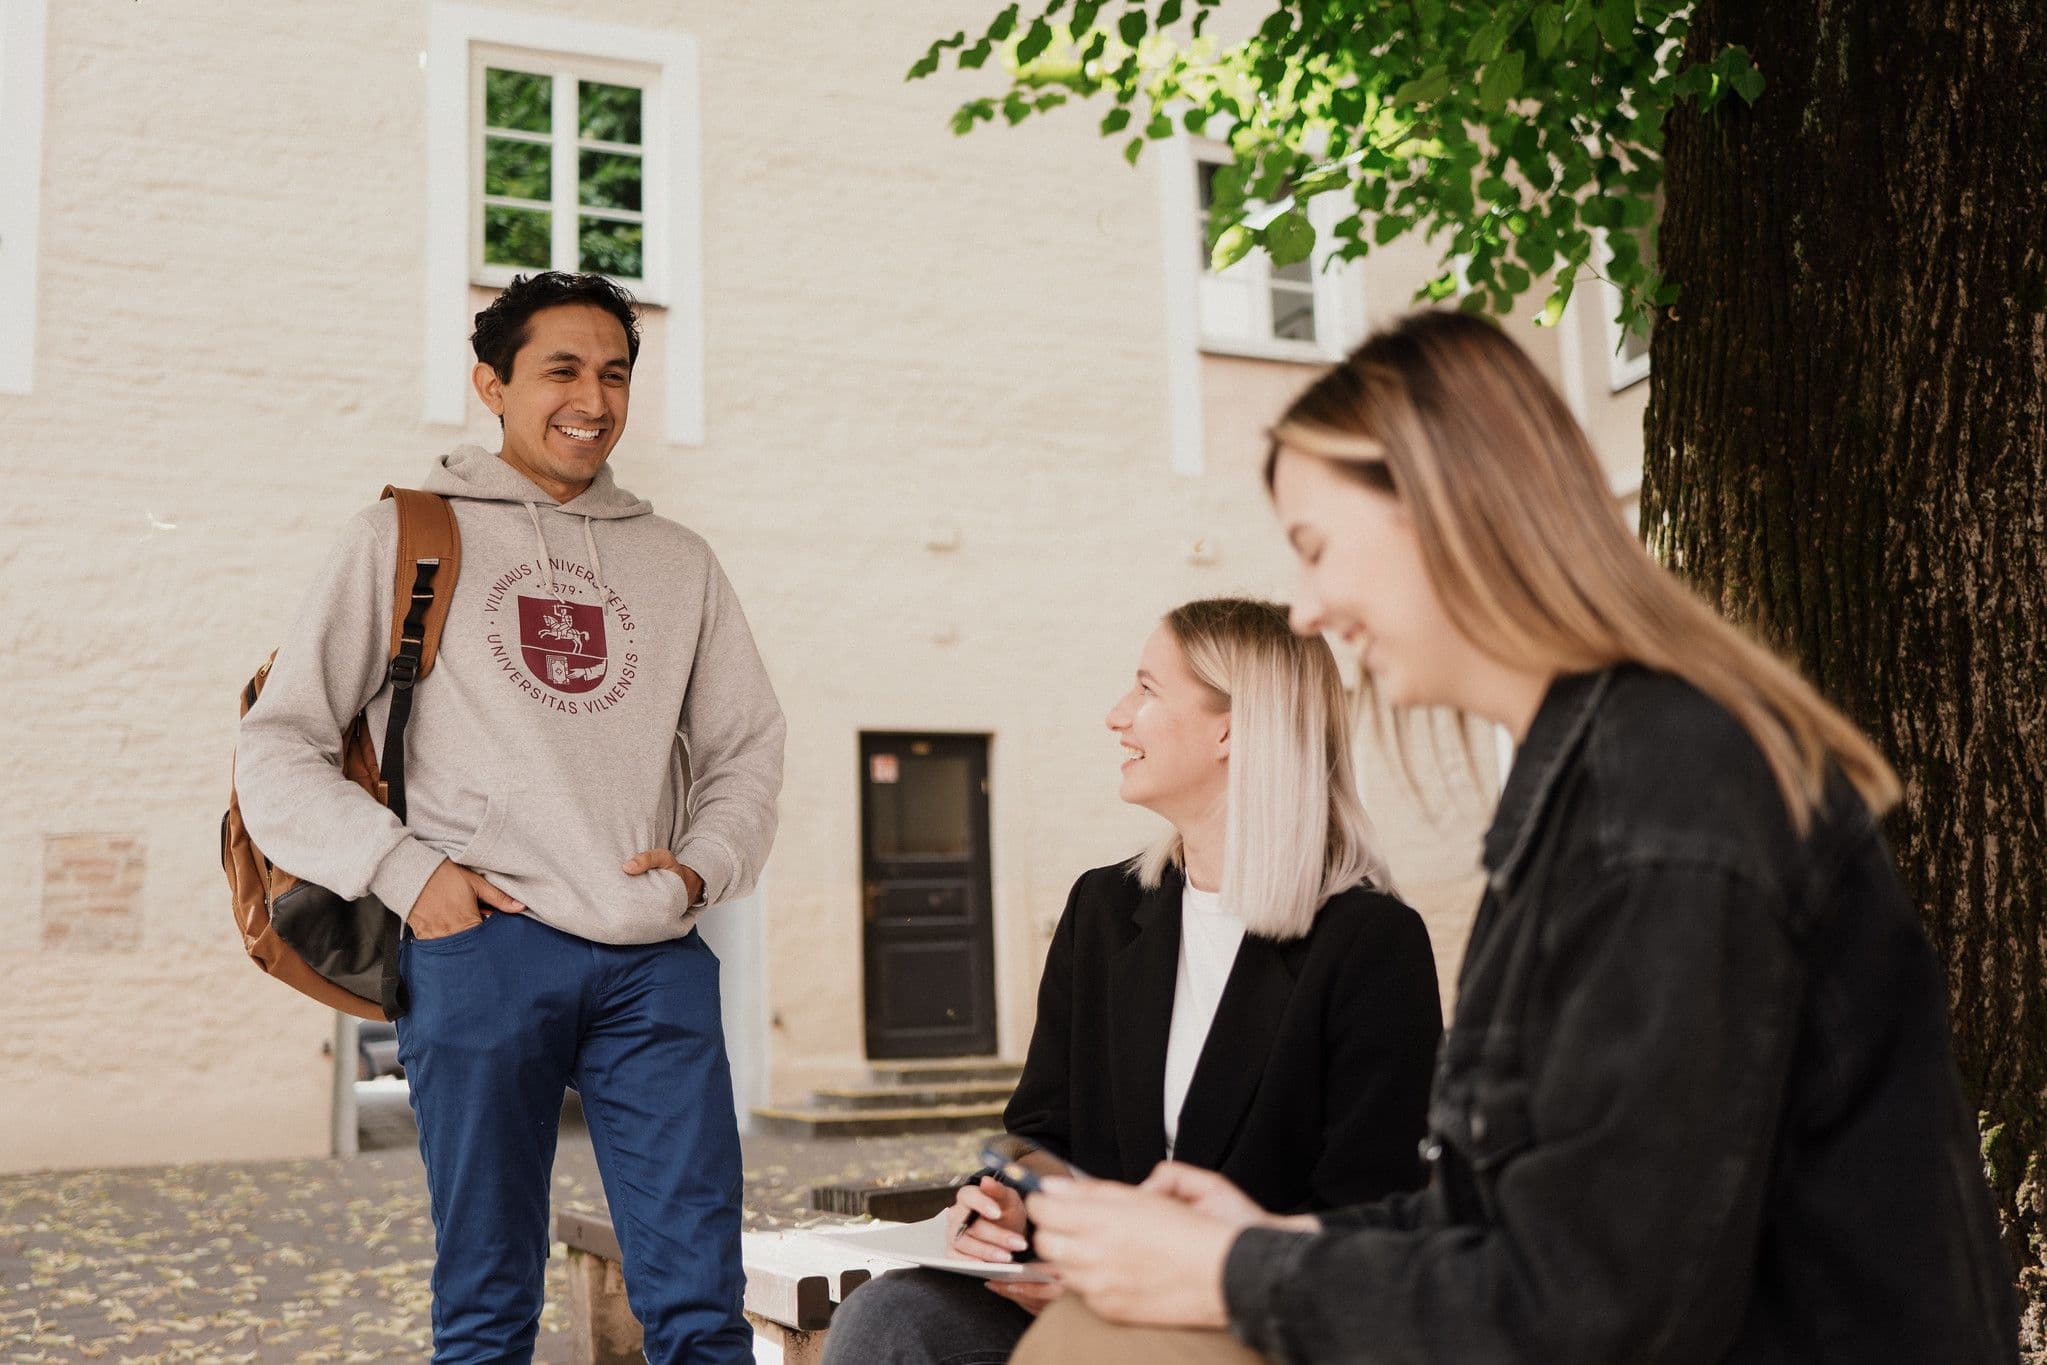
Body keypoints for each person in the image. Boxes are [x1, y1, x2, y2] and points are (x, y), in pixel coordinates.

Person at [1010, 312, 2020, 1363]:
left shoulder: (1661, 803)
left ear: (1445, 514)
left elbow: (1604, 1307)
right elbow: (1513, 1223)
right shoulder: (1584, 796)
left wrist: (1230, 1274)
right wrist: (1271, 1235)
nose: (1305, 612)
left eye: (1315, 550)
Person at [235, 271, 784, 1363]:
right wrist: (406, 874)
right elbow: (280, 742)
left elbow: (744, 746)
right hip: (483, 945)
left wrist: (699, 869)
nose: (594, 396)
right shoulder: (403, 535)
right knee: (486, 1307)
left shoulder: (680, 562)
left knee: (701, 1304)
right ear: (492, 384)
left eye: (615, 373)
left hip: (653, 957)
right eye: (563, 370)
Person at [823, 597, 1443, 1365]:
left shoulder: (1369, 943)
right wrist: (1003, 1208)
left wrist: (1150, 1282)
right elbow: (1039, 1131)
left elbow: (1371, 1213)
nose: (1118, 716)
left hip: (1249, 1318)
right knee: (891, 1320)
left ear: (1232, 727)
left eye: (1146, 689)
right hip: (1081, 1297)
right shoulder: (1104, 909)